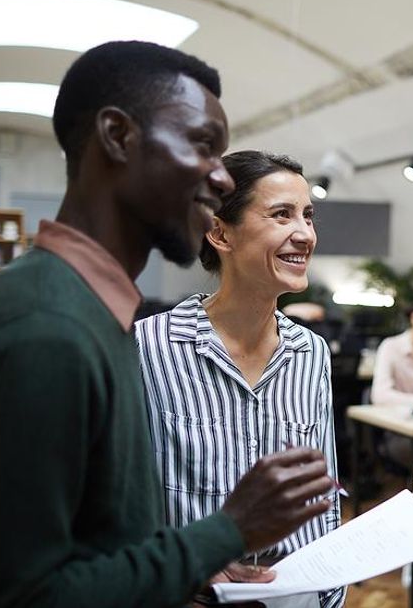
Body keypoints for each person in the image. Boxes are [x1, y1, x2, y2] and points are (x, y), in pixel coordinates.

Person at [0, 41, 334, 607]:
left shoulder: (94, 316)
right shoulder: (43, 328)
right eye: (202, 146)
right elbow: (10, 597)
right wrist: (225, 533)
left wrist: (184, 570)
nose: (221, 179)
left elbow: (98, 550)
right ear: (118, 137)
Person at [136, 149, 343, 608]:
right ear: (219, 231)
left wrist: (331, 594)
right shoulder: (148, 347)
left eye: (308, 216)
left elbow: (323, 500)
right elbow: (121, 507)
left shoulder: (311, 354)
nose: (304, 234)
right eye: (281, 215)